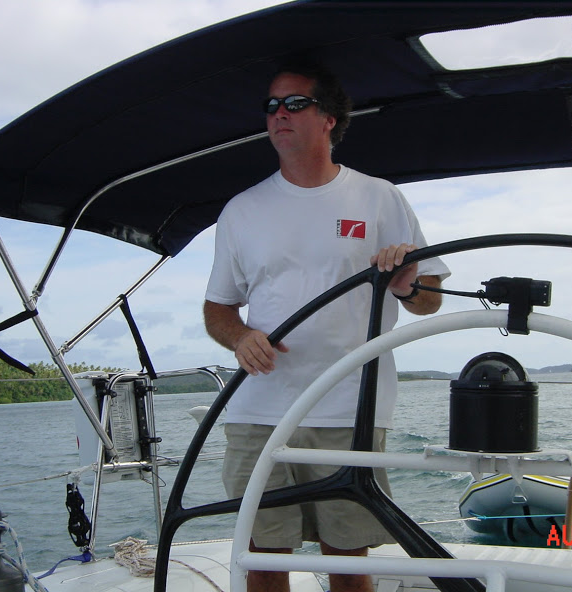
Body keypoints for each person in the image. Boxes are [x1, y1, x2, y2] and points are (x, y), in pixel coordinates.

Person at [203, 62, 450, 592]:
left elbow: (429, 299)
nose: (279, 114)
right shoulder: (241, 210)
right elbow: (217, 309)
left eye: (295, 103)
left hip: (348, 409)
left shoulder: (380, 198)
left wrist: (405, 284)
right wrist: (240, 337)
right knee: (262, 558)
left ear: (330, 118)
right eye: (271, 105)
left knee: (348, 559)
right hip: (259, 411)